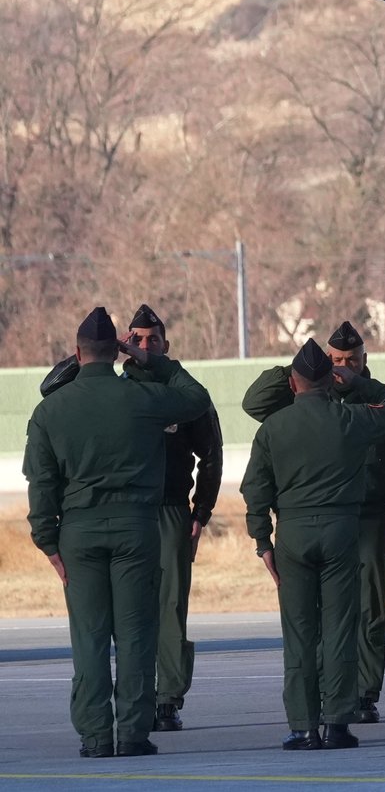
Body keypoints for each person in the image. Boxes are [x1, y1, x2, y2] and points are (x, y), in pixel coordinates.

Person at [24, 307, 212, 759]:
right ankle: (131, 732)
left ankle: (94, 736)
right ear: (118, 351)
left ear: (76, 353)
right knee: (135, 633)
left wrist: (47, 542)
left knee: (89, 636)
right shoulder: (142, 398)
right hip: (136, 528)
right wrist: (154, 362)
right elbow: (196, 399)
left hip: (79, 531)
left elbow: (42, 484)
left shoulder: (51, 409)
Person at [242, 320, 385, 725]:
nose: (345, 367)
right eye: (336, 361)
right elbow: (254, 403)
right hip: (332, 520)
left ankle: (363, 691)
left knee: (366, 610)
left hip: (370, 516)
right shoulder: (312, 409)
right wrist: (301, 367)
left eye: (353, 361)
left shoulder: (368, 406)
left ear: (365, 360)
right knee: (325, 616)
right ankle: (330, 694)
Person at [125, 304, 224, 732]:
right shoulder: (115, 391)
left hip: (168, 512)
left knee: (169, 608)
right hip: (126, 513)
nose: (145, 346)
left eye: (153, 340)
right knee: (127, 610)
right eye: (137, 340)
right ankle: (133, 695)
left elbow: (212, 454)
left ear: (167, 346)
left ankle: (168, 699)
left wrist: (201, 510)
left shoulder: (182, 398)